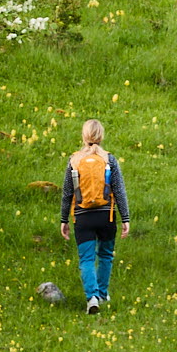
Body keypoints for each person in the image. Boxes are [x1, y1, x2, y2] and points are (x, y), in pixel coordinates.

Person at [60, 118, 129, 312]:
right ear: (101, 136)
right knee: (106, 255)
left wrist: (64, 220)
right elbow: (119, 190)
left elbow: (67, 193)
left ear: (84, 136)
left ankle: (92, 298)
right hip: (106, 217)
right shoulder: (109, 159)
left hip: (83, 218)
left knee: (87, 259)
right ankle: (103, 292)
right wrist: (125, 218)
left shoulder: (74, 160)